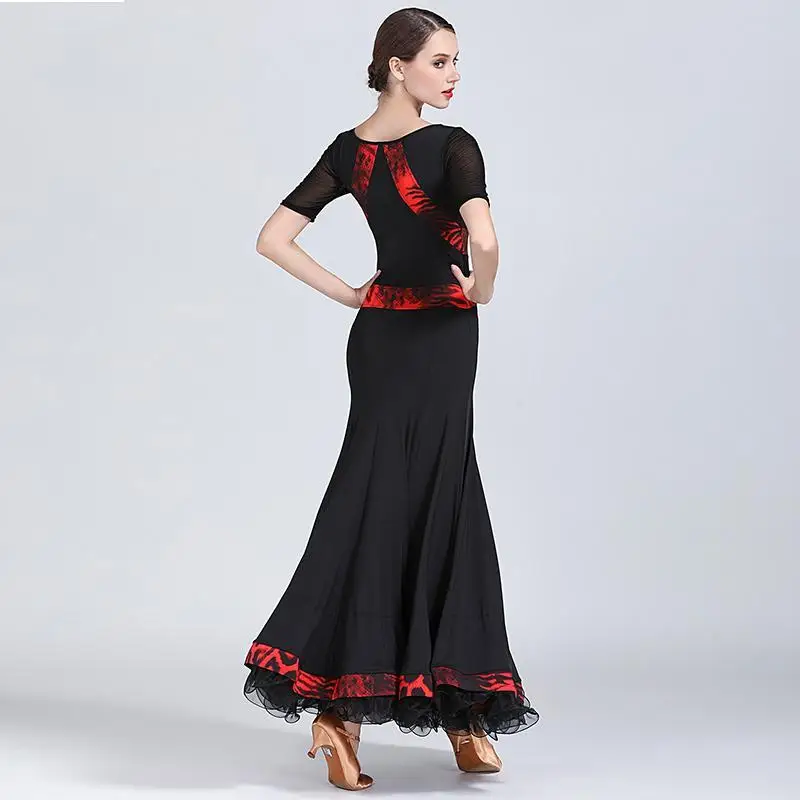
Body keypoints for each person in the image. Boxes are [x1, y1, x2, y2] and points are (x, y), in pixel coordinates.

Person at [243, 7, 539, 791]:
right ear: (397, 66)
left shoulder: (348, 151)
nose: (454, 75)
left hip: (377, 339)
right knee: (442, 501)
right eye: (440, 61)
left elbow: (273, 238)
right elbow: (485, 240)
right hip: (441, 335)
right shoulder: (454, 145)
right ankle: (461, 714)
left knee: (373, 500)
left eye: (456, 60)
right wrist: (481, 289)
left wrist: (352, 295)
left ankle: (346, 717)